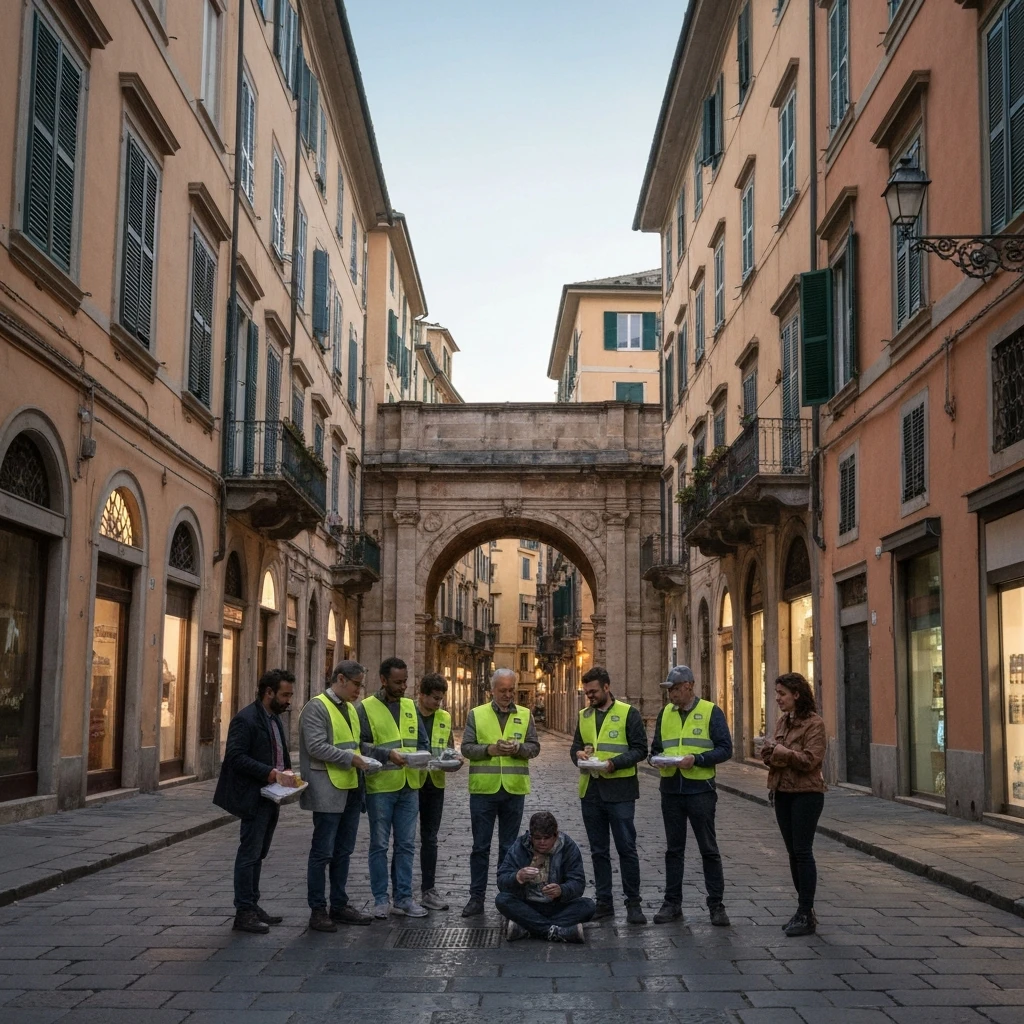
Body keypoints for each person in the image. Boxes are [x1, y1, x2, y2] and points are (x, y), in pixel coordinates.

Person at [214, 668, 298, 934]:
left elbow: (276, 753)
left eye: (290, 695)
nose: (289, 701)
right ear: (268, 692)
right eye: (285, 695)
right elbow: (235, 757)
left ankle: (253, 904)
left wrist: (286, 773)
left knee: (259, 853)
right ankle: (244, 911)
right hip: (252, 796)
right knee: (249, 854)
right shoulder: (246, 719)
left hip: (271, 795)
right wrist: (271, 773)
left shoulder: (273, 719)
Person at [649, 664, 733, 928]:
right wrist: (657, 760)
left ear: (688, 687)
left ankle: (716, 906)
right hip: (671, 790)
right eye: (668, 690)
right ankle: (672, 903)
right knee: (674, 850)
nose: (670, 695)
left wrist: (697, 759)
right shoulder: (665, 714)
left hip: (700, 791)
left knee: (708, 849)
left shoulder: (711, 712)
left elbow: (725, 749)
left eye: (674, 689)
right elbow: (655, 749)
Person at [298, 660, 375, 932]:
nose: (359, 690)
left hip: (352, 788)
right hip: (328, 789)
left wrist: (381, 753)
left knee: (344, 851)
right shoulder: (316, 707)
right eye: (356, 684)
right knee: (323, 852)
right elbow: (316, 746)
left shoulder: (351, 710)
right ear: (340, 679)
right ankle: (317, 910)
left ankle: (339, 905)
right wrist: (354, 760)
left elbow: (355, 744)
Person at [569, 665, 648, 924]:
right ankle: (604, 902)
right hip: (591, 791)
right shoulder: (584, 715)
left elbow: (640, 750)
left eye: (593, 692)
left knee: (626, 848)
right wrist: (579, 755)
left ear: (606, 687)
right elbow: (575, 748)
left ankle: (633, 904)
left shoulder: (629, 714)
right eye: (586, 693)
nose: (589, 696)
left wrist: (615, 763)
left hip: (620, 791)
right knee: (598, 850)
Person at [460, 667, 541, 917]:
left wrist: (519, 748)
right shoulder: (477, 714)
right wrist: (490, 750)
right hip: (484, 791)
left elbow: (534, 748)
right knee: (480, 847)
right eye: (502, 690)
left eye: (511, 690)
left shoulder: (526, 715)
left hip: (514, 791)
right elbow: (466, 748)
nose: (507, 695)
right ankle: (476, 898)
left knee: (509, 847)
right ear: (492, 690)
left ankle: (506, 896)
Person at [357, 656, 430, 919]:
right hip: (381, 787)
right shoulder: (366, 708)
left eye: (405, 682)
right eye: (397, 682)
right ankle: (380, 899)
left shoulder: (411, 706)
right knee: (379, 845)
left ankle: (404, 898)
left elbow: (423, 742)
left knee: (407, 845)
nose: (403, 687)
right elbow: (360, 746)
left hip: (410, 785)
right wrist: (388, 755)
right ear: (384, 680)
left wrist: (427, 757)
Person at [761, 672, 827, 937]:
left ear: (797, 695)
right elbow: (775, 757)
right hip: (782, 792)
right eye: (777, 693)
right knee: (791, 853)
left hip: (807, 794)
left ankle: (805, 910)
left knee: (802, 851)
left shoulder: (814, 724)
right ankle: (805, 912)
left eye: (782, 694)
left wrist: (780, 754)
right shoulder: (782, 722)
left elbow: (811, 760)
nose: (777, 699)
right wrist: (771, 754)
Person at [392, 672, 463, 911]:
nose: (438, 703)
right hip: (410, 782)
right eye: (434, 698)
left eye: (441, 699)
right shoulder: (406, 713)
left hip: (435, 784)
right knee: (404, 840)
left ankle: (428, 891)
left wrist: (454, 760)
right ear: (421, 695)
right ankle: (400, 893)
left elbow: (449, 749)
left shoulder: (444, 716)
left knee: (430, 838)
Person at [495, 810, 595, 944]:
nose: (542, 842)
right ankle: (556, 931)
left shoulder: (568, 847)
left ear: (555, 835)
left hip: (556, 905)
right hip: (527, 905)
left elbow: (578, 883)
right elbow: (502, 881)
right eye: (537, 838)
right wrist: (517, 877)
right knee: (502, 900)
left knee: (588, 906)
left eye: (547, 838)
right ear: (531, 836)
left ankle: (527, 928)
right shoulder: (520, 846)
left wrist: (562, 890)